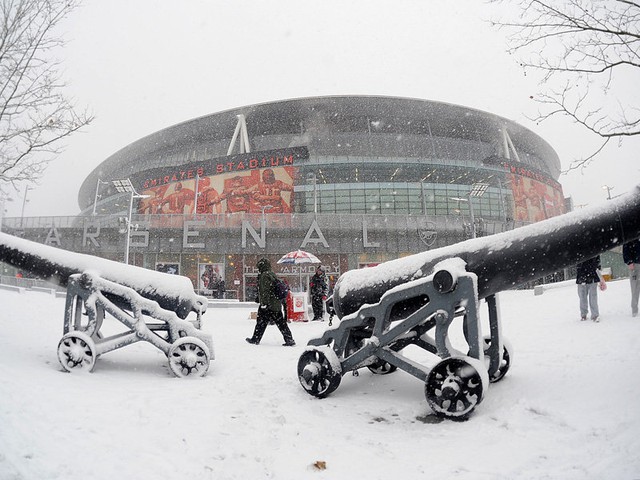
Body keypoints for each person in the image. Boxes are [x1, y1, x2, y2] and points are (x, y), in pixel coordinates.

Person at [246, 258, 295, 346]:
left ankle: (255, 339)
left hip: (268, 304)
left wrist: (264, 303)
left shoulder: (264, 276)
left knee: (261, 322)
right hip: (275, 304)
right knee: (280, 323)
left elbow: (265, 291)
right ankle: (289, 339)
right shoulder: (271, 274)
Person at [575, 255, 606, 322]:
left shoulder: (593, 247)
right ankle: (583, 315)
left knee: (593, 296)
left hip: (592, 275)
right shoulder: (577, 248)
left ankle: (595, 315)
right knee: (582, 297)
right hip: (581, 275)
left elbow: (597, 262)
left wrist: (600, 277)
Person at [622, 238, 640, 317]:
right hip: (634, 266)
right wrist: (629, 262)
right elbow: (625, 250)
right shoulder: (631, 235)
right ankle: (634, 310)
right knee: (635, 289)